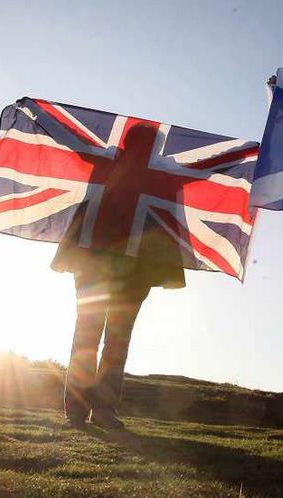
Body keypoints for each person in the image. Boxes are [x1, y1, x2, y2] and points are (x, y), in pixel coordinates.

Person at [53, 123, 185, 429]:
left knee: (94, 337)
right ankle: (95, 411)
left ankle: (84, 411)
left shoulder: (113, 163)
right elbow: (207, 171)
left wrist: (37, 114)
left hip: (108, 268)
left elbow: (70, 141)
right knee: (112, 341)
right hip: (116, 269)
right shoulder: (154, 173)